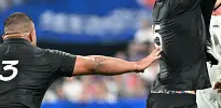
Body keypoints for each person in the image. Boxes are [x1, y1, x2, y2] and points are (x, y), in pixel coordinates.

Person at [0, 12, 160, 108]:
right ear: (32, 35)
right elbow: (96, 64)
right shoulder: (46, 57)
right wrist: (136, 65)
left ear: (4, 37)